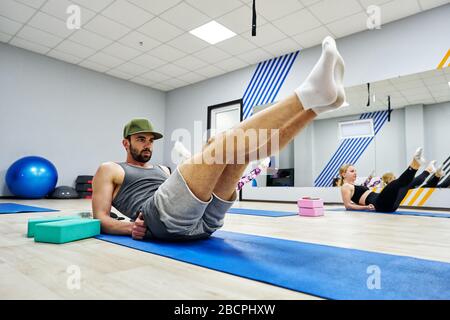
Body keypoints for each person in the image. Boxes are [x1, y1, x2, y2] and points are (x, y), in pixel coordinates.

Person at [92, 36, 346, 241]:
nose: (147, 144)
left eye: (150, 140)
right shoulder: (110, 169)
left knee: (238, 153)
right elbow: (99, 217)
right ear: (126, 143)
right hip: (160, 221)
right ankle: (308, 95)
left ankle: (317, 107)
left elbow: (186, 193)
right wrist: (128, 228)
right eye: (140, 139)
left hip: (204, 225)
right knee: (221, 145)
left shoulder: (161, 168)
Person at [339, 149, 443, 213]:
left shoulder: (354, 185)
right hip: (379, 202)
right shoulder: (346, 186)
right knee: (396, 183)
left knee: (409, 184)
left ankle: (431, 171)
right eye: (352, 171)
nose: (355, 173)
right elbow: (347, 205)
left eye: (355, 171)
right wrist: (365, 207)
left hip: (390, 206)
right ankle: (415, 163)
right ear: (343, 174)